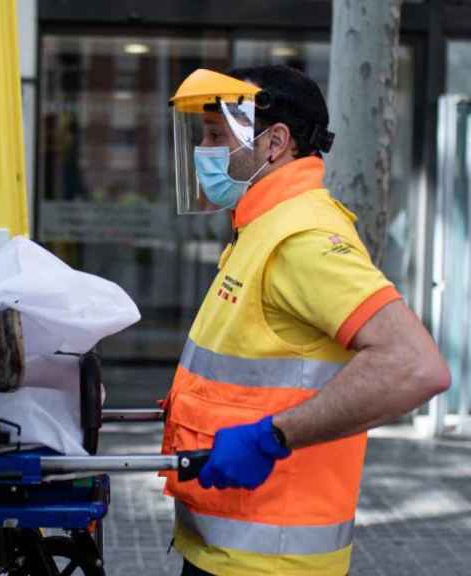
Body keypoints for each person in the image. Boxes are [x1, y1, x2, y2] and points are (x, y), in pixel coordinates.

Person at [160, 65, 450, 576]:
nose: (203, 151)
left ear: (275, 143)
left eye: (215, 136)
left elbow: (415, 365)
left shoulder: (302, 239)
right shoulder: (263, 226)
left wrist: (272, 437)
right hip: (229, 548)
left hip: (270, 562)